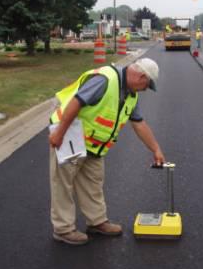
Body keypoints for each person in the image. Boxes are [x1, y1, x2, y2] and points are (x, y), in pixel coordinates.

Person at [49, 58, 165, 245]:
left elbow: (139, 123)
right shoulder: (105, 80)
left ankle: (96, 222)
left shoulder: (131, 95)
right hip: (69, 136)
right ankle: (63, 229)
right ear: (141, 76)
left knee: (93, 183)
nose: (145, 89)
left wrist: (156, 149)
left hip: (94, 145)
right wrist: (59, 133)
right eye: (146, 85)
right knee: (63, 184)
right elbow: (76, 102)